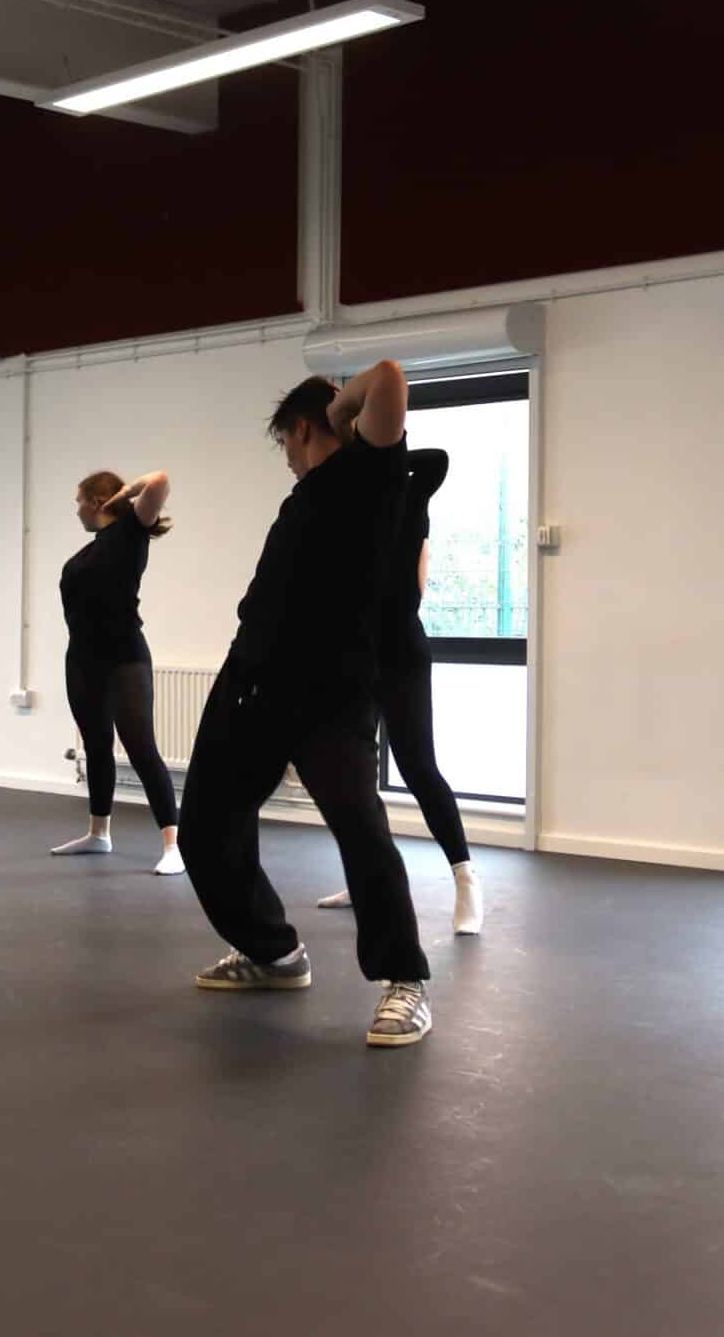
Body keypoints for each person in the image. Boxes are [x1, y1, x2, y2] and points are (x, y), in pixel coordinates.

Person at [178, 360, 433, 1047]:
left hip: (331, 694)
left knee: (360, 828)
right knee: (204, 826)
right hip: (251, 683)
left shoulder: (371, 474)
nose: (288, 460)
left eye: (288, 444)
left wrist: (337, 411)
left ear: (301, 429)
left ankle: (404, 980)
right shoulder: (304, 499)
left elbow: (386, 376)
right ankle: (275, 953)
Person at [316, 447, 482, 934]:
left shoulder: (407, 495)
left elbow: (438, 460)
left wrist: (374, 453)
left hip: (402, 653)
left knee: (417, 767)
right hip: (353, 657)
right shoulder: (340, 509)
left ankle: (467, 881)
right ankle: (369, 877)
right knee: (356, 774)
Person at [50, 469, 183, 874]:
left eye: (79, 502)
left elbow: (159, 481)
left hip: (125, 659)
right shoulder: (89, 551)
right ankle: (99, 833)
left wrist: (123, 496)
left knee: (141, 748)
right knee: (96, 747)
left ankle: (173, 845)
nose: (76, 512)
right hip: (82, 661)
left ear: (95, 502)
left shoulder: (130, 533)